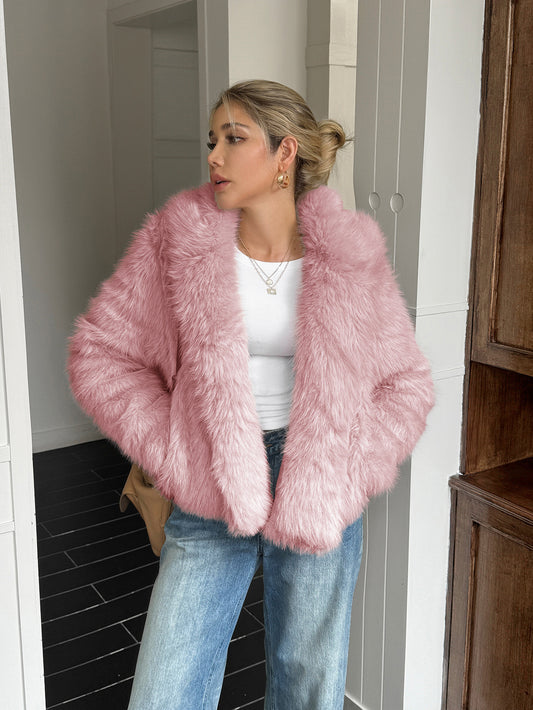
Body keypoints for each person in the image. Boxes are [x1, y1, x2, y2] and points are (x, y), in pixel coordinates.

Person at [67, 79, 434, 710]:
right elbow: (100, 355)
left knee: (308, 683)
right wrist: (172, 450)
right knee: (165, 690)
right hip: (210, 482)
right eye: (211, 140)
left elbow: (406, 383)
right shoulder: (177, 240)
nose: (214, 156)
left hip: (317, 486)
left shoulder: (351, 255)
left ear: (285, 153)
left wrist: (351, 468)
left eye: (233, 139)